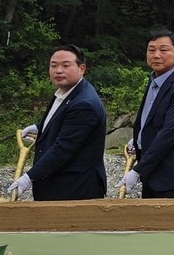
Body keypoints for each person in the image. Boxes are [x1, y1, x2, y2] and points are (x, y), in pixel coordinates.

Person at [9, 44, 107, 201]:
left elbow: (63, 149)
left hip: (74, 189)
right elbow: (64, 121)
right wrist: (40, 128)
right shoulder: (66, 92)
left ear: (81, 68)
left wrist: (29, 177)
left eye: (65, 65)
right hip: (59, 186)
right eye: (53, 65)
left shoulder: (84, 104)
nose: (58, 70)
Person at [125, 30, 174, 199]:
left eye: (163, 50)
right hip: (153, 173)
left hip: (173, 177)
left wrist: (137, 171)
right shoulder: (155, 79)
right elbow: (152, 120)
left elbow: (169, 134)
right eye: (151, 50)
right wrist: (138, 140)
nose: (156, 55)